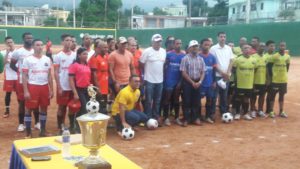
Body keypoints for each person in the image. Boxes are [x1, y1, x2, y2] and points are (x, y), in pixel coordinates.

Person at [22, 39, 53, 137]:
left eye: (41, 45)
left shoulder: (47, 59)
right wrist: (26, 91)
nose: (40, 47)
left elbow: (49, 76)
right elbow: (24, 76)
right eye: (37, 45)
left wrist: (51, 89)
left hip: (44, 87)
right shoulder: (27, 59)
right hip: (32, 86)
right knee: (28, 109)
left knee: (44, 108)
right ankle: (28, 132)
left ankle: (42, 131)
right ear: (33, 46)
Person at [10, 32, 40, 132]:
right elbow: (12, 65)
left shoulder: (35, 51)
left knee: (35, 102)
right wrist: (20, 72)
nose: (30, 40)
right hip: (22, 82)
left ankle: (37, 123)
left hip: (34, 81)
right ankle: (21, 124)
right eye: (27, 38)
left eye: (31, 38)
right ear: (23, 39)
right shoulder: (18, 52)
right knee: (22, 102)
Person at [140, 34, 166, 124]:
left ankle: (155, 116)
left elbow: (163, 64)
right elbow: (141, 64)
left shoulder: (163, 51)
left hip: (160, 80)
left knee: (157, 100)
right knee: (148, 100)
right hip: (149, 80)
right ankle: (148, 118)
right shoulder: (147, 51)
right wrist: (144, 77)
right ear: (152, 42)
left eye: (159, 41)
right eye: (156, 41)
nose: (158, 43)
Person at [53, 34, 77, 134]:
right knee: (62, 107)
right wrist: (59, 87)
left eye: (71, 40)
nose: (69, 42)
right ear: (62, 42)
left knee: (73, 107)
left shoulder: (75, 55)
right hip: (63, 86)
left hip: (73, 87)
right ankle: (61, 127)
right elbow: (56, 72)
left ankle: (72, 126)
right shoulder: (58, 56)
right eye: (67, 40)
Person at [180, 40, 206, 127]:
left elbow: (203, 72)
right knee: (186, 101)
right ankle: (186, 119)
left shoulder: (201, 59)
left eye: (196, 46)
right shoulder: (185, 58)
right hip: (188, 82)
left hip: (198, 82)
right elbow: (183, 72)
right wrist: (192, 82)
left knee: (197, 101)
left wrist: (200, 82)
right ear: (189, 48)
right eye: (193, 46)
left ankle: (196, 118)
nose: (195, 48)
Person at [209, 32, 234, 115]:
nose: (223, 38)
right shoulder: (213, 48)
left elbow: (231, 61)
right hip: (216, 76)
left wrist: (227, 73)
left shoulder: (229, 48)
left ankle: (223, 112)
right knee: (214, 96)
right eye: (221, 37)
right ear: (217, 38)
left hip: (226, 77)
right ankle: (212, 113)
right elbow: (212, 63)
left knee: (224, 96)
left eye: (224, 37)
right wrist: (222, 73)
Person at [162, 39, 185, 126]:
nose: (179, 45)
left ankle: (176, 118)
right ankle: (166, 117)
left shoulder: (183, 56)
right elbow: (164, 67)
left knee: (176, 99)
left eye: (180, 43)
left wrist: (180, 82)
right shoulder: (168, 55)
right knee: (167, 99)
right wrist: (164, 78)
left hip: (178, 81)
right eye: (177, 43)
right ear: (174, 45)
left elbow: (184, 71)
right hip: (168, 80)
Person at [69, 47, 91, 133]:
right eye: (84, 54)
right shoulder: (74, 65)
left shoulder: (86, 64)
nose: (86, 56)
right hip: (79, 89)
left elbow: (87, 78)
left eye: (86, 54)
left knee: (85, 108)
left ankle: (79, 126)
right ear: (79, 55)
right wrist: (75, 92)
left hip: (87, 89)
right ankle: (76, 126)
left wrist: (90, 85)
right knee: (83, 108)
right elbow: (71, 79)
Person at [232, 44, 257, 120]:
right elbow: (233, 70)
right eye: (245, 48)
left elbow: (255, 70)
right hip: (240, 84)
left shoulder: (254, 60)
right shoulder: (237, 59)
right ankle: (237, 113)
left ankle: (245, 113)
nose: (247, 50)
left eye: (248, 48)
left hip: (249, 84)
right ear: (242, 50)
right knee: (238, 99)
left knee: (246, 99)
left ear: (251, 50)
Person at [267, 41, 290, 118]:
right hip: (275, 80)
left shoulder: (287, 56)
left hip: (283, 80)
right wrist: (271, 77)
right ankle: (271, 111)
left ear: (285, 47)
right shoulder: (274, 56)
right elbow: (269, 67)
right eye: (281, 46)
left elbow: (287, 67)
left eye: (283, 46)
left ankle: (281, 111)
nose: (282, 47)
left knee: (282, 96)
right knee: (272, 96)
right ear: (278, 47)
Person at [199, 38, 217, 123]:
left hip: (210, 83)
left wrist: (214, 81)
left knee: (209, 100)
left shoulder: (212, 57)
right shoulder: (198, 56)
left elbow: (214, 70)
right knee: (198, 100)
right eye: (205, 44)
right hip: (200, 83)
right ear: (201, 45)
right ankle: (198, 116)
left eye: (208, 45)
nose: (207, 46)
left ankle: (208, 116)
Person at [88, 40, 109, 114]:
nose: (106, 49)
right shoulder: (94, 58)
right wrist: (98, 88)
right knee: (97, 106)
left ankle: (103, 123)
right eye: (104, 47)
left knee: (104, 105)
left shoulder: (106, 56)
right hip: (98, 87)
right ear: (99, 48)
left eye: (107, 47)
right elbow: (94, 75)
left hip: (105, 86)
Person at [250, 42, 268, 118]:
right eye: (261, 46)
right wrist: (252, 81)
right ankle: (253, 110)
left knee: (262, 96)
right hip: (255, 81)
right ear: (257, 47)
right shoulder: (253, 57)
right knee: (253, 96)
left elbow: (267, 69)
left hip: (263, 81)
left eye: (263, 46)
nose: (262, 48)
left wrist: (267, 79)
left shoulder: (266, 57)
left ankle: (260, 110)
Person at [1, 36, 17, 118]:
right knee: (8, 94)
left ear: (13, 42)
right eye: (8, 43)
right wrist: (7, 53)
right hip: (9, 77)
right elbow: (2, 64)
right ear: (5, 44)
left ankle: (22, 109)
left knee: (19, 94)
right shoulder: (3, 53)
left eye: (11, 42)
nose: (10, 44)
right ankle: (7, 110)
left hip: (18, 76)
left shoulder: (18, 52)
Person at [264, 40, 276, 115]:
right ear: (267, 47)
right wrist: (267, 79)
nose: (273, 47)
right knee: (262, 95)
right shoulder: (264, 56)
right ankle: (259, 110)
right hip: (264, 79)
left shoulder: (275, 56)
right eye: (271, 46)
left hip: (274, 80)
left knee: (271, 94)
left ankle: (269, 110)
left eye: (274, 46)